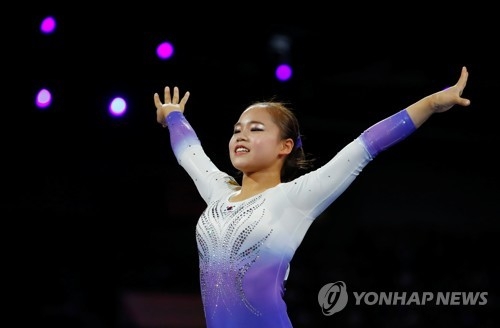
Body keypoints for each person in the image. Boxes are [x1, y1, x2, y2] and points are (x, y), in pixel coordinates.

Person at [153, 66, 470, 328]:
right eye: (237, 129)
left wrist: (429, 104)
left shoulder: (294, 199)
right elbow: (190, 153)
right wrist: (174, 116)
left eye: (256, 129)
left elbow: (365, 146)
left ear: (284, 147)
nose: (241, 135)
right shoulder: (219, 193)